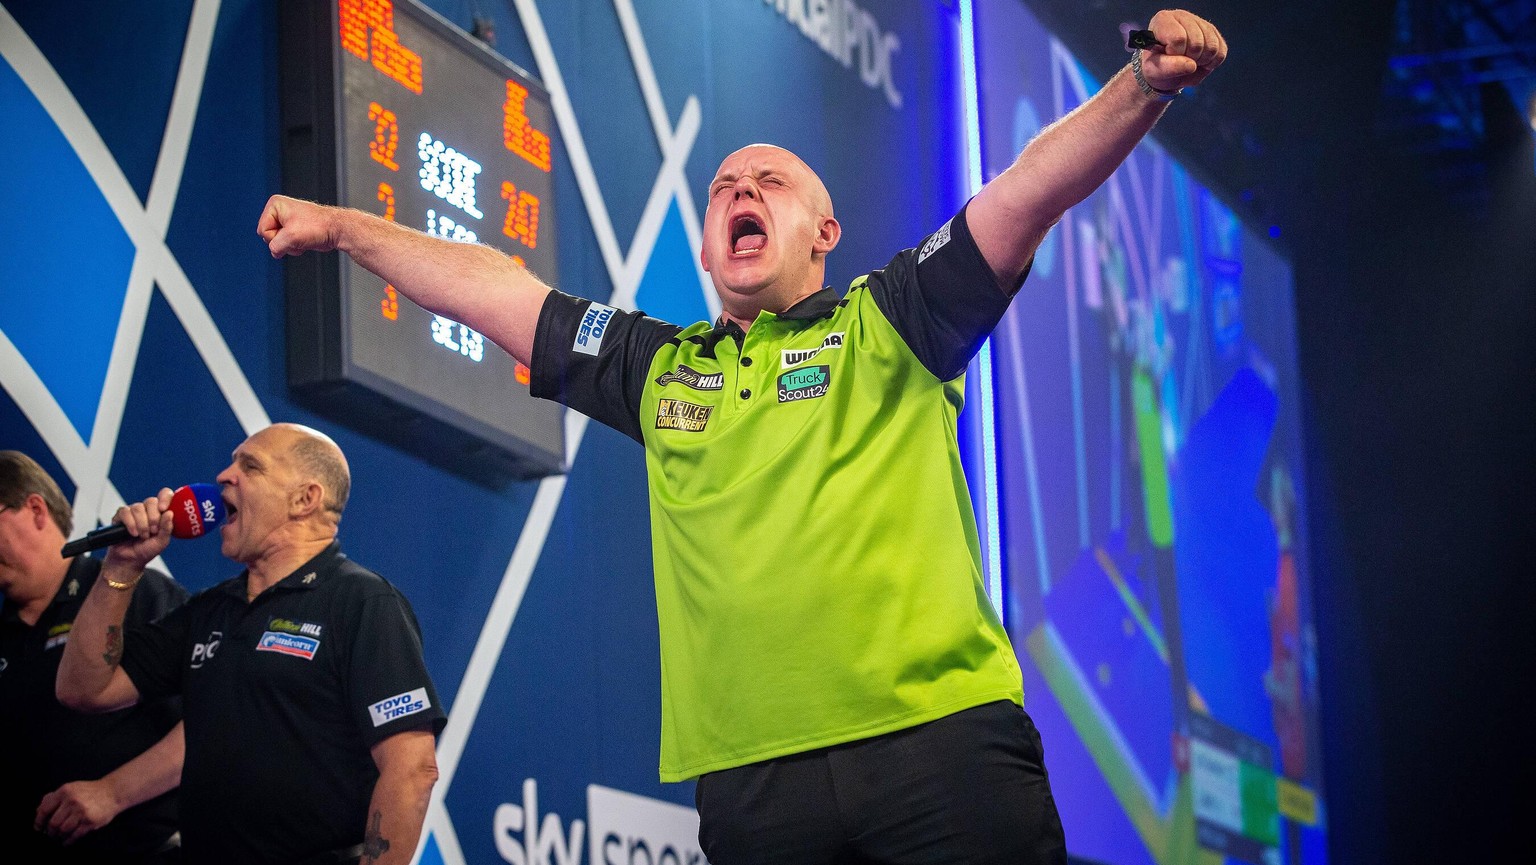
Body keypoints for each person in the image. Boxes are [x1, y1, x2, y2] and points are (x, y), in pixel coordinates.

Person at [257, 11, 1226, 863]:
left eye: (768, 180)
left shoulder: (891, 320)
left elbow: (1023, 194)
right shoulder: (659, 365)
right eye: (723, 187)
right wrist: (346, 227)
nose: (739, 189)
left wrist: (1140, 87)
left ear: (824, 232)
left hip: (940, 748)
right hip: (753, 789)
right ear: (712, 239)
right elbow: (498, 288)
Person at [56, 424, 446, 865]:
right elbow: (84, 689)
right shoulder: (213, 609)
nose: (224, 475)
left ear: (305, 499)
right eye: (230, 461)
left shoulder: (362, 602)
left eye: (250, 465)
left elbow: (412, 769)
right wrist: (123, 565)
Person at [0, 451, 187, 863]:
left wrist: (112, 793)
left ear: (34, 509)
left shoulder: (135, 593)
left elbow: (215, 718)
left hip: (147, 850)